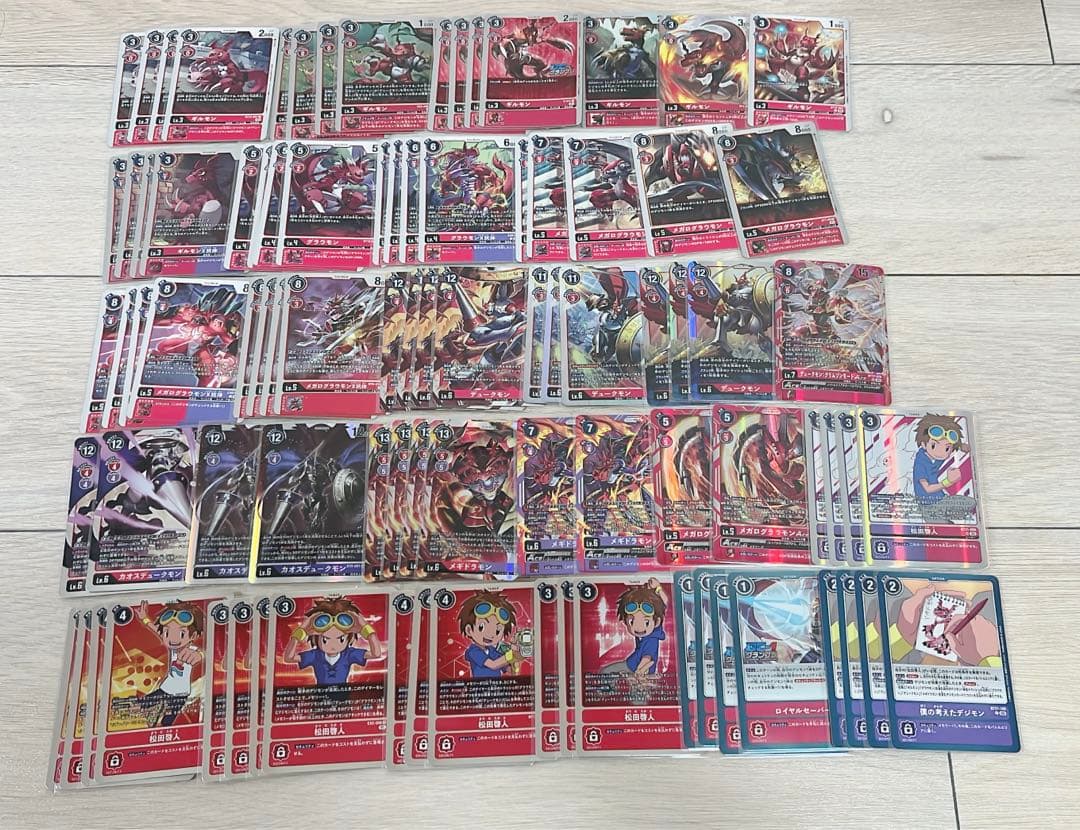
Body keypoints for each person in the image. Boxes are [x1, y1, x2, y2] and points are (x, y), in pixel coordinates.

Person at [283, 597, 383, 686]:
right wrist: (300, 632)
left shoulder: (349, 654)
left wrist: (366, 629)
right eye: (325, 639)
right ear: (317, 638)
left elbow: (376, 654)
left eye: (341, 639)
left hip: (343, 697)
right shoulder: (315, 655)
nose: (333, 645)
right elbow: (288, 658)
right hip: (320, 697)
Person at [137, 601, 204, 727]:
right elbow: (157, 630)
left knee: (167, 721)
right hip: (166, 688)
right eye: (167, 633)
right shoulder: (173, 648)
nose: (173, 639)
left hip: (181, 694)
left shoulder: (191, 650)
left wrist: (199, 655)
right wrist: (145, 619)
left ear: (193, 635)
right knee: (143, 704)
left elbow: (199, 655)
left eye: (181, 634)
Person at [911, 415, 978, 524]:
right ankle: (943, 518)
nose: (941, 452)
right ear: (923, 444)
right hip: (928, 506)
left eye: (947, 448)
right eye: (934, 445)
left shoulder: (934, 456)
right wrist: (948, 481)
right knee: (945, 528)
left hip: (942, 499)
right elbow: (927, 489)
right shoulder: (920, 463)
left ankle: (946, 515)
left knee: (971, 503)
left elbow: (948, 448)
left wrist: (960, 445)